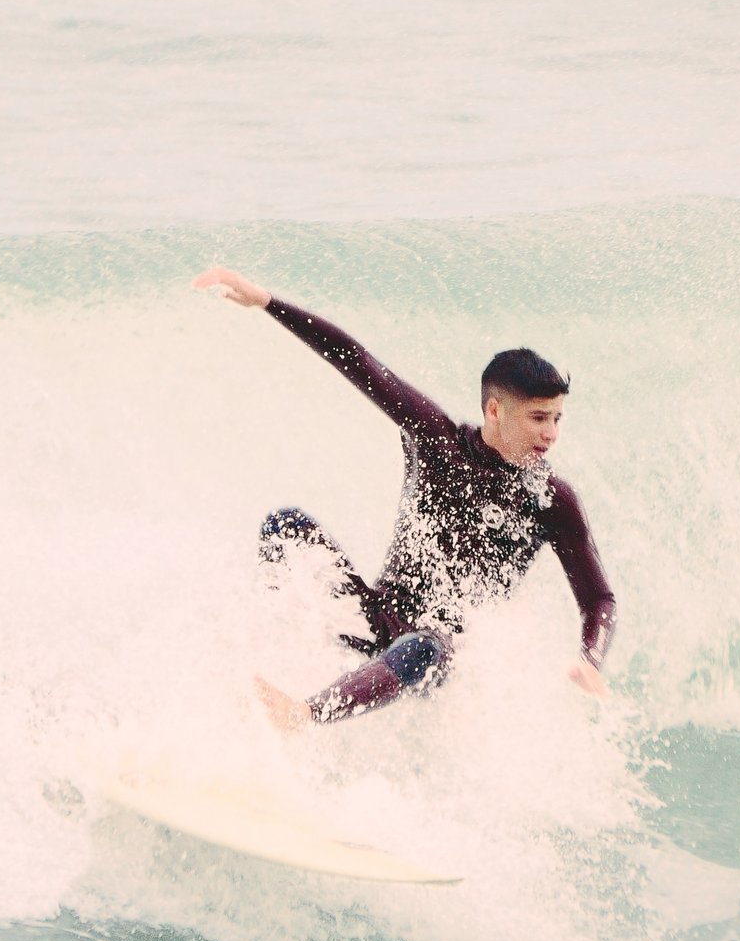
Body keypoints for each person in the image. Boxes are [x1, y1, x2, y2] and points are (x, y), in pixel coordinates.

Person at [192, 266, 616, 731]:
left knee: (423, 645)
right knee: (286, 526)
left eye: (557, 419)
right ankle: (269, 666)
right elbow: (355, 359)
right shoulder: (438, 441)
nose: (551, 434)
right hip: (376, 618)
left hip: (444, 656)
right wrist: (269, 303)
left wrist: (590, 658)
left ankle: (304, 715)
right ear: (495, 410)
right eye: (539, 418)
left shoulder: (551, 499)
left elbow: (597, 598)